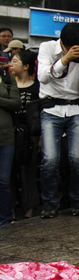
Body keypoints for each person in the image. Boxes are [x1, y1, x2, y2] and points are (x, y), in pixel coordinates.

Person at [37, 23, 79, 218]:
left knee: (78, 159)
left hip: (76, 109)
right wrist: (64, 60)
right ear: (62, 42)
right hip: (51, 109)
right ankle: (50, 204)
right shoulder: (47, 48)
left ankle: (77, 202)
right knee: (50, 160)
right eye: (70, 47)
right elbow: (43, 77)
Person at [9, 50, 39, 220]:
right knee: (9, 174)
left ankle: (29, 209)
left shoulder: (37, 87)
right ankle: (10, 209)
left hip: (30, 136)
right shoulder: (8, 85)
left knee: (28, 173)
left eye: (15, 61)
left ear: (26, 66)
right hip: (10, 134)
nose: (11, 64)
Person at [0, 59, 21, 225]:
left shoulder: (8, 78)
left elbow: (16, 103)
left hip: (6, 137)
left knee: (4, 180)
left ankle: (5, 219)